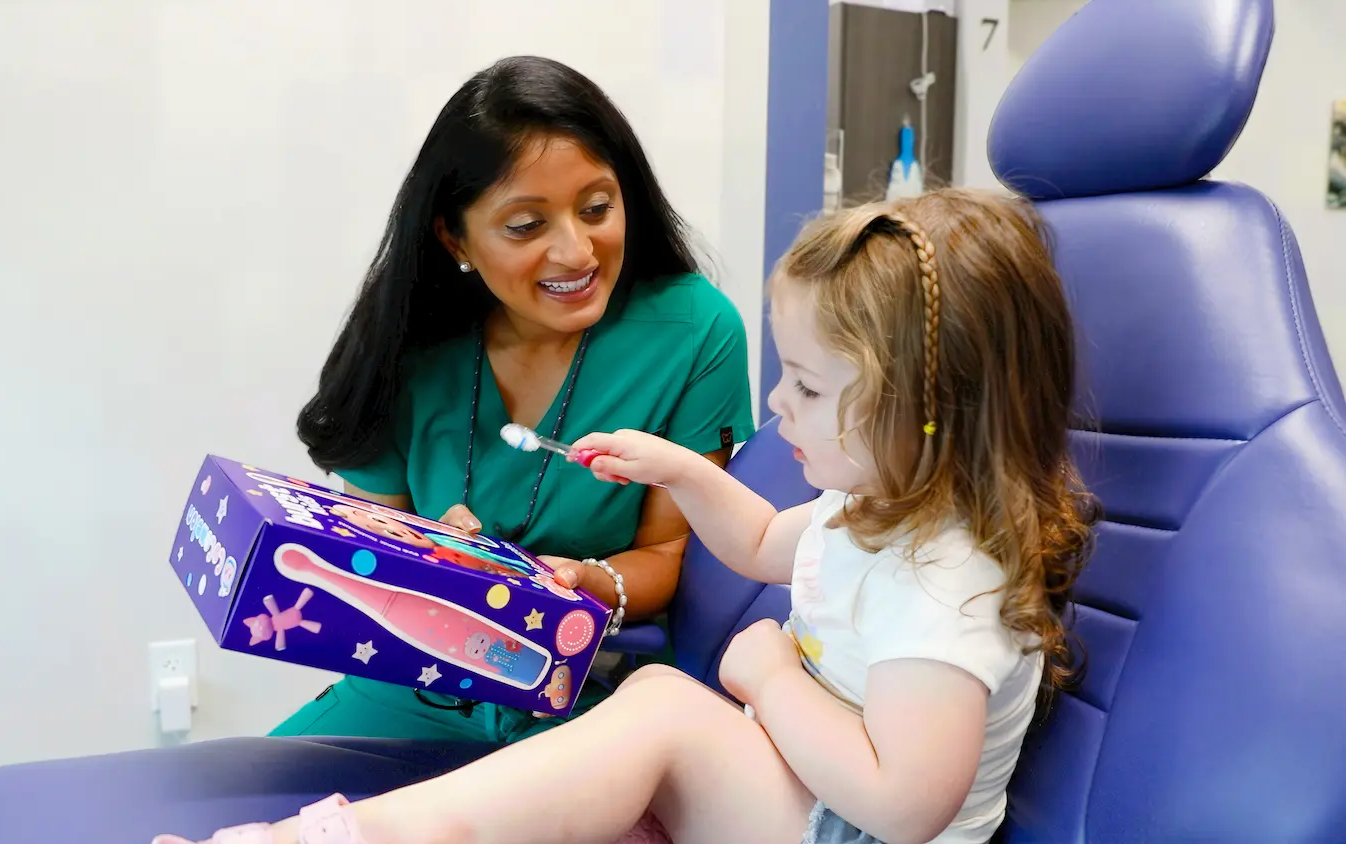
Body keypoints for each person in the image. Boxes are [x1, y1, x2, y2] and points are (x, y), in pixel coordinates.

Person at [156, 187, 1098, 844]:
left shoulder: (949, 588)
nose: (778, 408)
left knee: (664, 715)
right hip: (801, 795)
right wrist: (681, 470)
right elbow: (768, 541)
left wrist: (773, 680)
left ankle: (338, 839)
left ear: (934, 406)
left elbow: (904, 806)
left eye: (808, 388)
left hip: (853, 829)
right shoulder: (876, 504)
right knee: (652, 715)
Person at [270, 55, 754, 745]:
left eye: (596, 208)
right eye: (526, 226)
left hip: (586, 694)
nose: (576, 252)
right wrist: (433, 559)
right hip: (416, 682)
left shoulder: (694, 332)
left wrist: (579, 580)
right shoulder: (411, 340)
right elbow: (363, 548)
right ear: (453, 237)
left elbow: (671, 555)